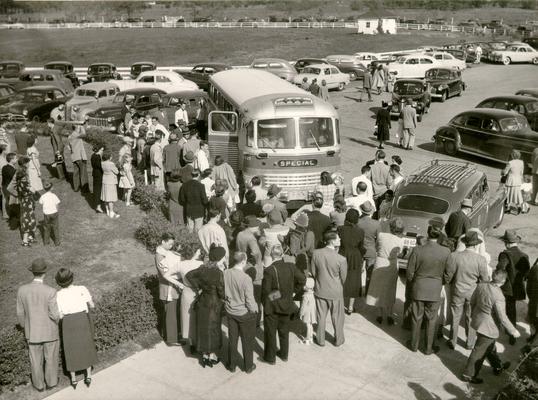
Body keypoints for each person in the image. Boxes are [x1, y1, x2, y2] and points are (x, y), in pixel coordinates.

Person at [461, 270, 520, 384]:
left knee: (489, 347)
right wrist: (513, 331)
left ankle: (498, 366)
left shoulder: (481, 285)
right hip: (489, 327)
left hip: (479, 321)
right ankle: (468, 375)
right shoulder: (499, 296)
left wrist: (474, 315)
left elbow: (472, 301)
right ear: (503, 281)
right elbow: (502, 317)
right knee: (479, 351)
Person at [406, 224, 451, 354]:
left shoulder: (418, 250)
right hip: (435, 288)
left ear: (427, 234)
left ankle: (414, 345)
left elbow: (409, 272)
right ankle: (428, 348)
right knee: (432, 319)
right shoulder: (446, 251)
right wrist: (441, 282)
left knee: (416, 317)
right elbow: (448, 273)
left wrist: (415, 282)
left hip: (419, 287)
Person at [17, 258, 60, 392]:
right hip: (49, 332)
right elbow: (54, 314)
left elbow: (20, 314)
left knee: (35, 361)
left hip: (32, 333)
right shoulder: (51, 291)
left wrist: (25, 327)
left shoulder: (22, 290)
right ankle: (51, 383)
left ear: (33, 273)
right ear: (44, 273)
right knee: (51, 359)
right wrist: (58, 321)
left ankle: (39, 385)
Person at [444, 231, 490, 350]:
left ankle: (452, 341)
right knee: (470, 317)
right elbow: (485, 279)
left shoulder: (455, 256)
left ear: (465, 243)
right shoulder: (481, 259)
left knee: (455, 316)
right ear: (475, 245)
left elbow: (449, 275)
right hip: (473, 293)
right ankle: (469, 343)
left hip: (457, 291)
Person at [262, 244, 305, 363]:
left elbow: (266, 292)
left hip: (273, 307)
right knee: (284, 331)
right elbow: (302, 279)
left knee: (270, 332)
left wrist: (274, 297)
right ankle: (284, 354)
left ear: (271, 255)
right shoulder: (291, 266)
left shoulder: (269, 270)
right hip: (287, 304)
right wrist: (293, 292)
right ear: (282, 254)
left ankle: (270, 358)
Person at [54, 268, 97, 389]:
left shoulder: (58, 295)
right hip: (82, 319)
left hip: (68, 322)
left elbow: (60, 315)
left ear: (59, 282)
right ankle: (88, 375)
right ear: (72, 278)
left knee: (70, 347)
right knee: (86, 344)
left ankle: (73, 378)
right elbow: (92, 305)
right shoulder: (81, 289)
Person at [186, 244, 227, 367]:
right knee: (213, 329)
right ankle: (212, 355)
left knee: (203, 327)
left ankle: (204, 355)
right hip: (214, 304)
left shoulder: (202, 268)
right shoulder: (218, 273)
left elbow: (189, 275)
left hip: (203, 301)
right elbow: (221, 291)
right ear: (219, 259)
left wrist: (198, 286)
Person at [311, 231, 348, 346]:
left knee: (321, 317)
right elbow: (344, 278)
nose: (340, 240)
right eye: (338, 239)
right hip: (335, 292)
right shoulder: (341, 259)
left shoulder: (316, 253)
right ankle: (338, 339)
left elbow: (313, 272)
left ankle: (320, 340)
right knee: (337, 318)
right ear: (332, 241)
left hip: (320, 289)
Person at [224, 252, 258, 373]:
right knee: (247, 340)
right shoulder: (246, 278)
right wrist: (255, 309)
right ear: (243, 261)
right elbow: (249, 300)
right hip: (244, 313)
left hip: (230, 311)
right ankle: (248, 366)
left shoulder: (226, 273)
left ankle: (231, 365)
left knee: (232, 339)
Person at [366, 217, 405, 324]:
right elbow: (400, 254)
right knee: (390, 289)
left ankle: (379, 314)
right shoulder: (401, 241)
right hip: (391, 264)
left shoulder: (382, 235)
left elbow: (378, 246)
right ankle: (389, 314)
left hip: (380, 261)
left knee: (378, 288)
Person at [496, 229, 530, 345]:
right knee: (511, 309)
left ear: (507, 242)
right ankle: (512, 334)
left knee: (501, 308)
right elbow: (526, 274)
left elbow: (500, 269)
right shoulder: (524, 256)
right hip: (517, 288)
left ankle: (504, 329)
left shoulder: (505, 254)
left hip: (506, 288)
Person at [155, 233, 183, 346]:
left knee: (172, 312)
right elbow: (165, 273)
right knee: (170, 314)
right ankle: (171, 339)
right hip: (168, 288)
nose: (171, 246)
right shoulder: (159, 256)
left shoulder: (165, 252)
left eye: (172, 244)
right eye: (170, 244)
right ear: (163, 242)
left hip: (172, 287)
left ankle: (172, 335)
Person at [338, 209, 366, 314]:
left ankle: (340, 304)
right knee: (354, 280)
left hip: (343, 254)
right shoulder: (360, 231)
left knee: (341, 279)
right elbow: (361, 247)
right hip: (355, 256)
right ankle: (350, 307)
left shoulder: (340, 229)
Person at [177, 247, 204, 352]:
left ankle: (191, 343)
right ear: (195, 252)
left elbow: (167, 275)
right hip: (198, 292)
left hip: (186, 291)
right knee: (199, 317)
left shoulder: (181, 264)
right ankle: (200, 343)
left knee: (188, 318)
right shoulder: (200, 264)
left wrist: (179, 284)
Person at [357, 201, 381, 295]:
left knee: (357, 273)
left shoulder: (358, 222)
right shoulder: (376, 224)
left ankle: (357, 292)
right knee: (370, 273)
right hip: (371, 250)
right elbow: (379, 239)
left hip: (359, 249)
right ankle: (368, 292)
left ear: (362, 211)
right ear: (371, 212)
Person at [16, 156, 37, 246]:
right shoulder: (22, 175)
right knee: (27, 218)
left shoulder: (21, 173)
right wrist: (32, 189)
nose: (29, 164)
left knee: (30, 217)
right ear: (24, 164)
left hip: (26, 199)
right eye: (27, 163)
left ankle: (30, 237)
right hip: (26, 199)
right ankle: (25, 240)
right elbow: (25, 187)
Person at [179, 169, 208, 233]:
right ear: (198, 175)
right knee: (198, 231)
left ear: (191, 175)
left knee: (190, 230)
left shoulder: (184, 185)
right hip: (199, 211)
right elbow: (205, 200)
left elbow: (182, 199)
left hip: (189, 210)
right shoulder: (201, 186)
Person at [502, 149, 525, 214]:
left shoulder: (510, 162)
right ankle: (519, 206)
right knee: (517, 195)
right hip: (518, 181)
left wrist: (502, 172)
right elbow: (521, 172)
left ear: (512, 155)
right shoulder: (521, 162)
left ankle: (508, 207)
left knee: (508, 194)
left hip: (511, 181)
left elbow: (505, 172)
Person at [68, 124, 89, 193]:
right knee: (83, 173)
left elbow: (69, 147)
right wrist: (82, 127)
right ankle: (85, 189)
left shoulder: (70, 136)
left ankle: (76, 187)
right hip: (80, 156)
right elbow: (84, 134)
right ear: (77, 128)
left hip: (74, 156)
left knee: (76, 173)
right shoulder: (76, 135)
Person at [38, 182, 60, 246]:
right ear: (51, 188)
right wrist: (57, 211)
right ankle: (57, 242)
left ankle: (46, 242)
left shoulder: (43, 196)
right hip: (54, 213)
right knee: (55, 227)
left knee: (47, 227)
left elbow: (40, 202)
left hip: (46, 214)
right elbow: (57, 204)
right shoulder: (54, 195)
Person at [100, 150, 120, 219]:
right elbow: (117, 172)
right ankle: (111, 212)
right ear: (109, 157)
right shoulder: (111, 164)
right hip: (111, 181)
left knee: (106, 197)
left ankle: (108, 211)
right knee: (111, 198)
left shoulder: (102, 163)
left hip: (105, 180)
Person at [2, 152, 17, 220]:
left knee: (5, 200)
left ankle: (5, 214)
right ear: (11, 160)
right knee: (11, 201)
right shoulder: (12, 170)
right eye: (15, 158)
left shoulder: (4, 167)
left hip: (4, 186)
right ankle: (12, 215)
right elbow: (14, 179)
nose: (16, 159)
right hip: (10, 188)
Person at [90, 145, 104, 213]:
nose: (102, 152)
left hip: (95, 174)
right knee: (98, 190)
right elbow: (100, 166)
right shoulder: (98, 157)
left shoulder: (93, 155)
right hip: (99, 175)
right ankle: (98, 206)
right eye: (102, 150)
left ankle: (97, 204)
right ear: (99, 150)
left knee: (96, 189)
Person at [527, 258, 538, 344]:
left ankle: (532, 337)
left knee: (533, 321)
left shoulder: (535, 269)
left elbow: (528, 287)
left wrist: (531, 297)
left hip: (534, 301)